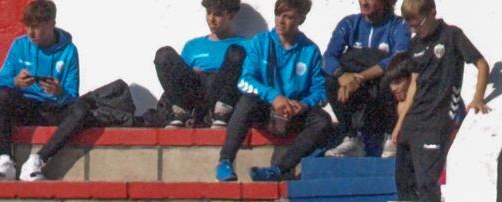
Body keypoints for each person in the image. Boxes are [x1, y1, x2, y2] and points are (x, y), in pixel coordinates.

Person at [216, 0, 336, 186]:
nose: (281, 21)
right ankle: (225, 161)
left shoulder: (310, 50)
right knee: (247, 101)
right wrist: (273, 97)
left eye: (288, 17)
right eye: (279, 15)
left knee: (322, 120)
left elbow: (320, 91)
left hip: (294, 113)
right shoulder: (260, 42)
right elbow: (245, 81)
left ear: (301, 20)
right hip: (265, 110)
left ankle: (280, 169)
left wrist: (303, 105)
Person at [383, 0, 488, 202]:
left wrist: (478, 98)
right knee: (403, 183)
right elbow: (414, 83)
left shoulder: (452, 36)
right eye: (409, 25)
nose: (414, 29)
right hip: (414, 119)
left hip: (438, 120)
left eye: (417, 24)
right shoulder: (415, 44)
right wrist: (400, 123)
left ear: (432, 13)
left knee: (426, 182)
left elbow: (482, 64)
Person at [0, 0, 87, 183]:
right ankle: (4, 161)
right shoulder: (19, 45)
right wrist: (16, 82)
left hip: (52, 108)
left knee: (81, 110)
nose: (30, 33)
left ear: (52, 25)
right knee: (1, 96)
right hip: (26, 106)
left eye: (37, 28)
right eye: (28, 27)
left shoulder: (69, 51)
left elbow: (72, 95)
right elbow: (0, 83)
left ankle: (36, 161)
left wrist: (59, 91)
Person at [320, 0, 408, 155]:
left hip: (382, 94)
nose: (364, 2)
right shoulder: (348, 23)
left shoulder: (399, 25)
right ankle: (352, 137)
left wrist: (359, 78)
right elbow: (328, 57)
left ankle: (391, 137)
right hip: (357, 92)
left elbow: (398, 58)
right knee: (330, 80)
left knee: (392, 75)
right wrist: (341, 75)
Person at [154, 0, 247, 128]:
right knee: (164, 54)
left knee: (236, 52)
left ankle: (221, 112)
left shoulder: (245, 44)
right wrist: (194, 73)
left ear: (230, 15)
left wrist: (217, 73)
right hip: (194, 92)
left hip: (221, 91)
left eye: (218, 14)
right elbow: (179, 78)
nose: (211, 19)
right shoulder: (192, 45)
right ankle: (182, 111)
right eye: (209, 13)